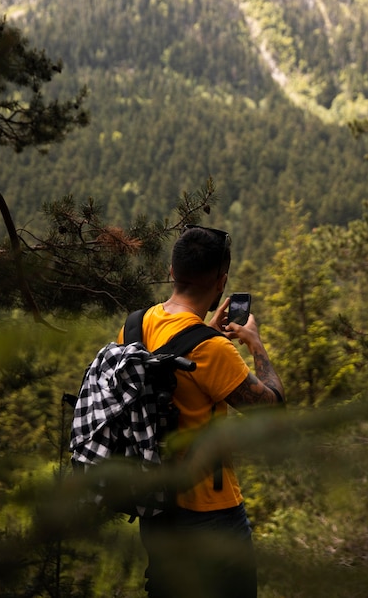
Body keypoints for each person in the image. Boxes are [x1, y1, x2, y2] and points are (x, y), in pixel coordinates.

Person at [118, 225, 285, 598]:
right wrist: (256, 346)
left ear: (172, 271)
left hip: (156, 508)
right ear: (222, 281)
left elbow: (169, 375)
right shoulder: (212, 350)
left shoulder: (134, 326)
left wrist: (201, 333)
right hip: (211, 512)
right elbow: (272, 409)